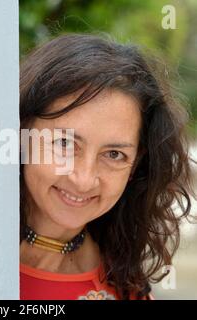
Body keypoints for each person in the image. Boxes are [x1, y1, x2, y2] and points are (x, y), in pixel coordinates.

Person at [19, 33, 196, 300]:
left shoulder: (127, 290)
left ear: (135, 164)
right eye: (65, 143)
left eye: (114, 154)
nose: (84, 179)